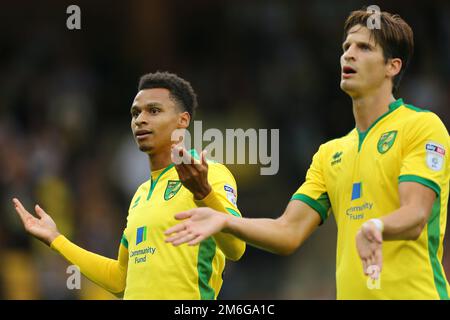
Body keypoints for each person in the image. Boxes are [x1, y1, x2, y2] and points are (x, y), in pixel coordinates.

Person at [165, 10, 450, 299]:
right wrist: (226, 220)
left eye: (364, 47)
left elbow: (416, 215)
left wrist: (376, 226)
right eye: (346, 47)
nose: (348, 55)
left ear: (393, 66)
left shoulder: (420, 126)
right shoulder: (330, 155)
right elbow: (288, 231)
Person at [13, 71, 245, 299]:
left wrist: (204, 192)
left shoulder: (210, 173)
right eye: (135, 113)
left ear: (182, 120)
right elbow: (120, 280)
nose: (140, 120)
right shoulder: (141, 195)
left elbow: (236, 248)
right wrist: (57, 240)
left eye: (153, 111)